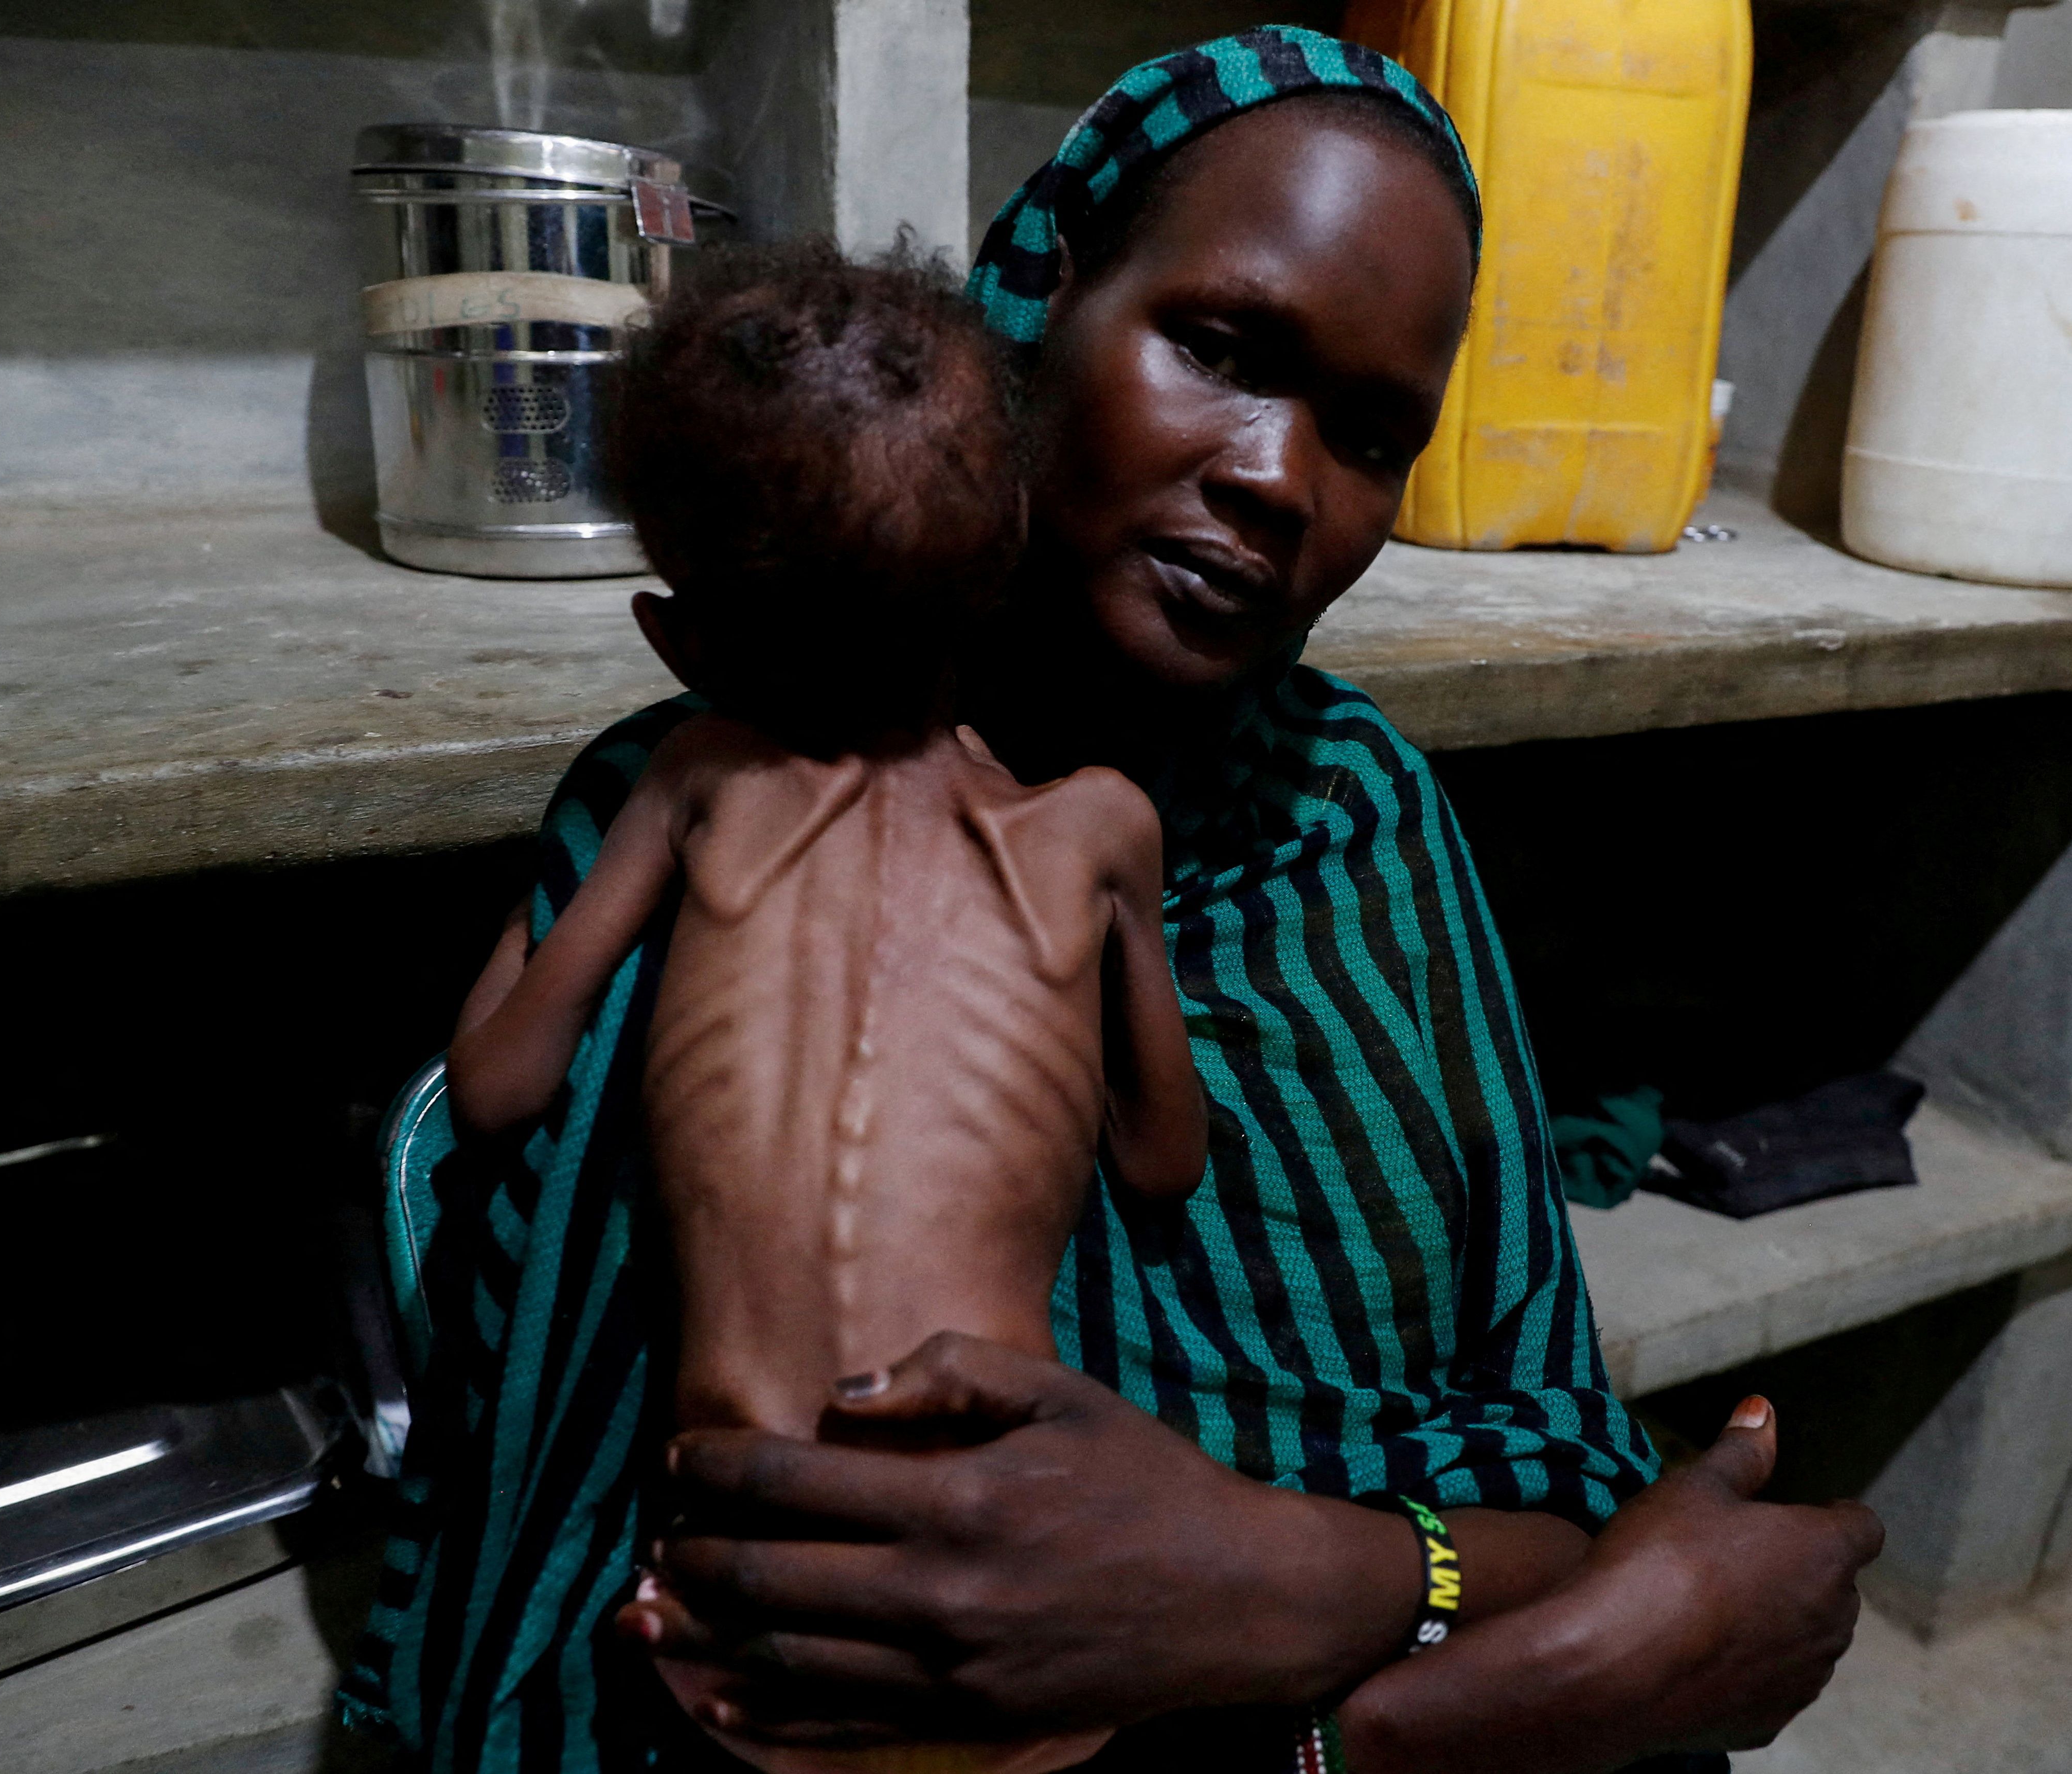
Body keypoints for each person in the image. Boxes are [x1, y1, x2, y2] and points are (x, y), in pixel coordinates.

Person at [343, 27, 1880, 1774]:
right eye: (1219, 348)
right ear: (1044, 297)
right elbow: (569, 1517)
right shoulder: (701, 796)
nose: (1279, 480)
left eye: (1373, 434)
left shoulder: (1355, 817)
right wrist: (1460, 1692)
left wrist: (1301, 1578)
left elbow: (1539, 1435)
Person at [439, 245, 1207, 1774]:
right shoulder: (1096, 829)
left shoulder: (693, 782)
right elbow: (1163, 1161)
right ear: (1004, 569)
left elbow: (496, 1087)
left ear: (679, 645)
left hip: (741, 1632)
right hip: (1016, 1631)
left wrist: (551, 893)